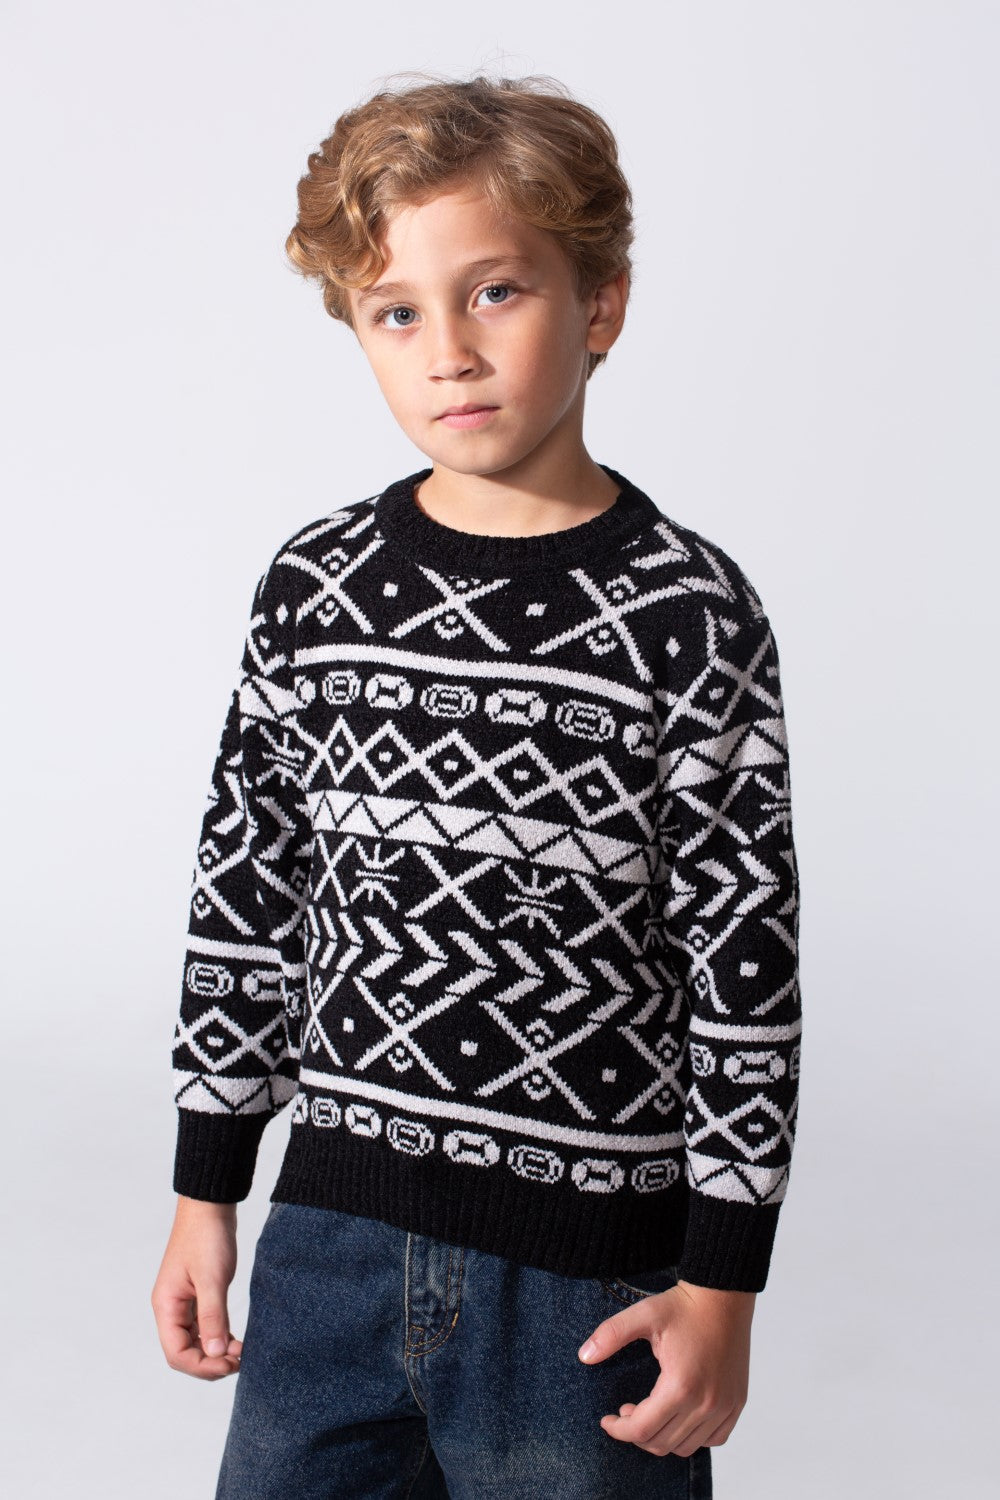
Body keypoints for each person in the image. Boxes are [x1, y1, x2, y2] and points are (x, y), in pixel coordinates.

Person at [151, 72, 803, 1500]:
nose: (447, 351)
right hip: (328, 1249)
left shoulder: (690, 615)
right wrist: (207, 1188)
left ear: (602, 304)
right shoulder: (315, 590)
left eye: (495, 292)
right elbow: (246, 897)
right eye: (396, 312)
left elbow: (744, 967)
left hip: (584, 1290)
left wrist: (724, 1283)